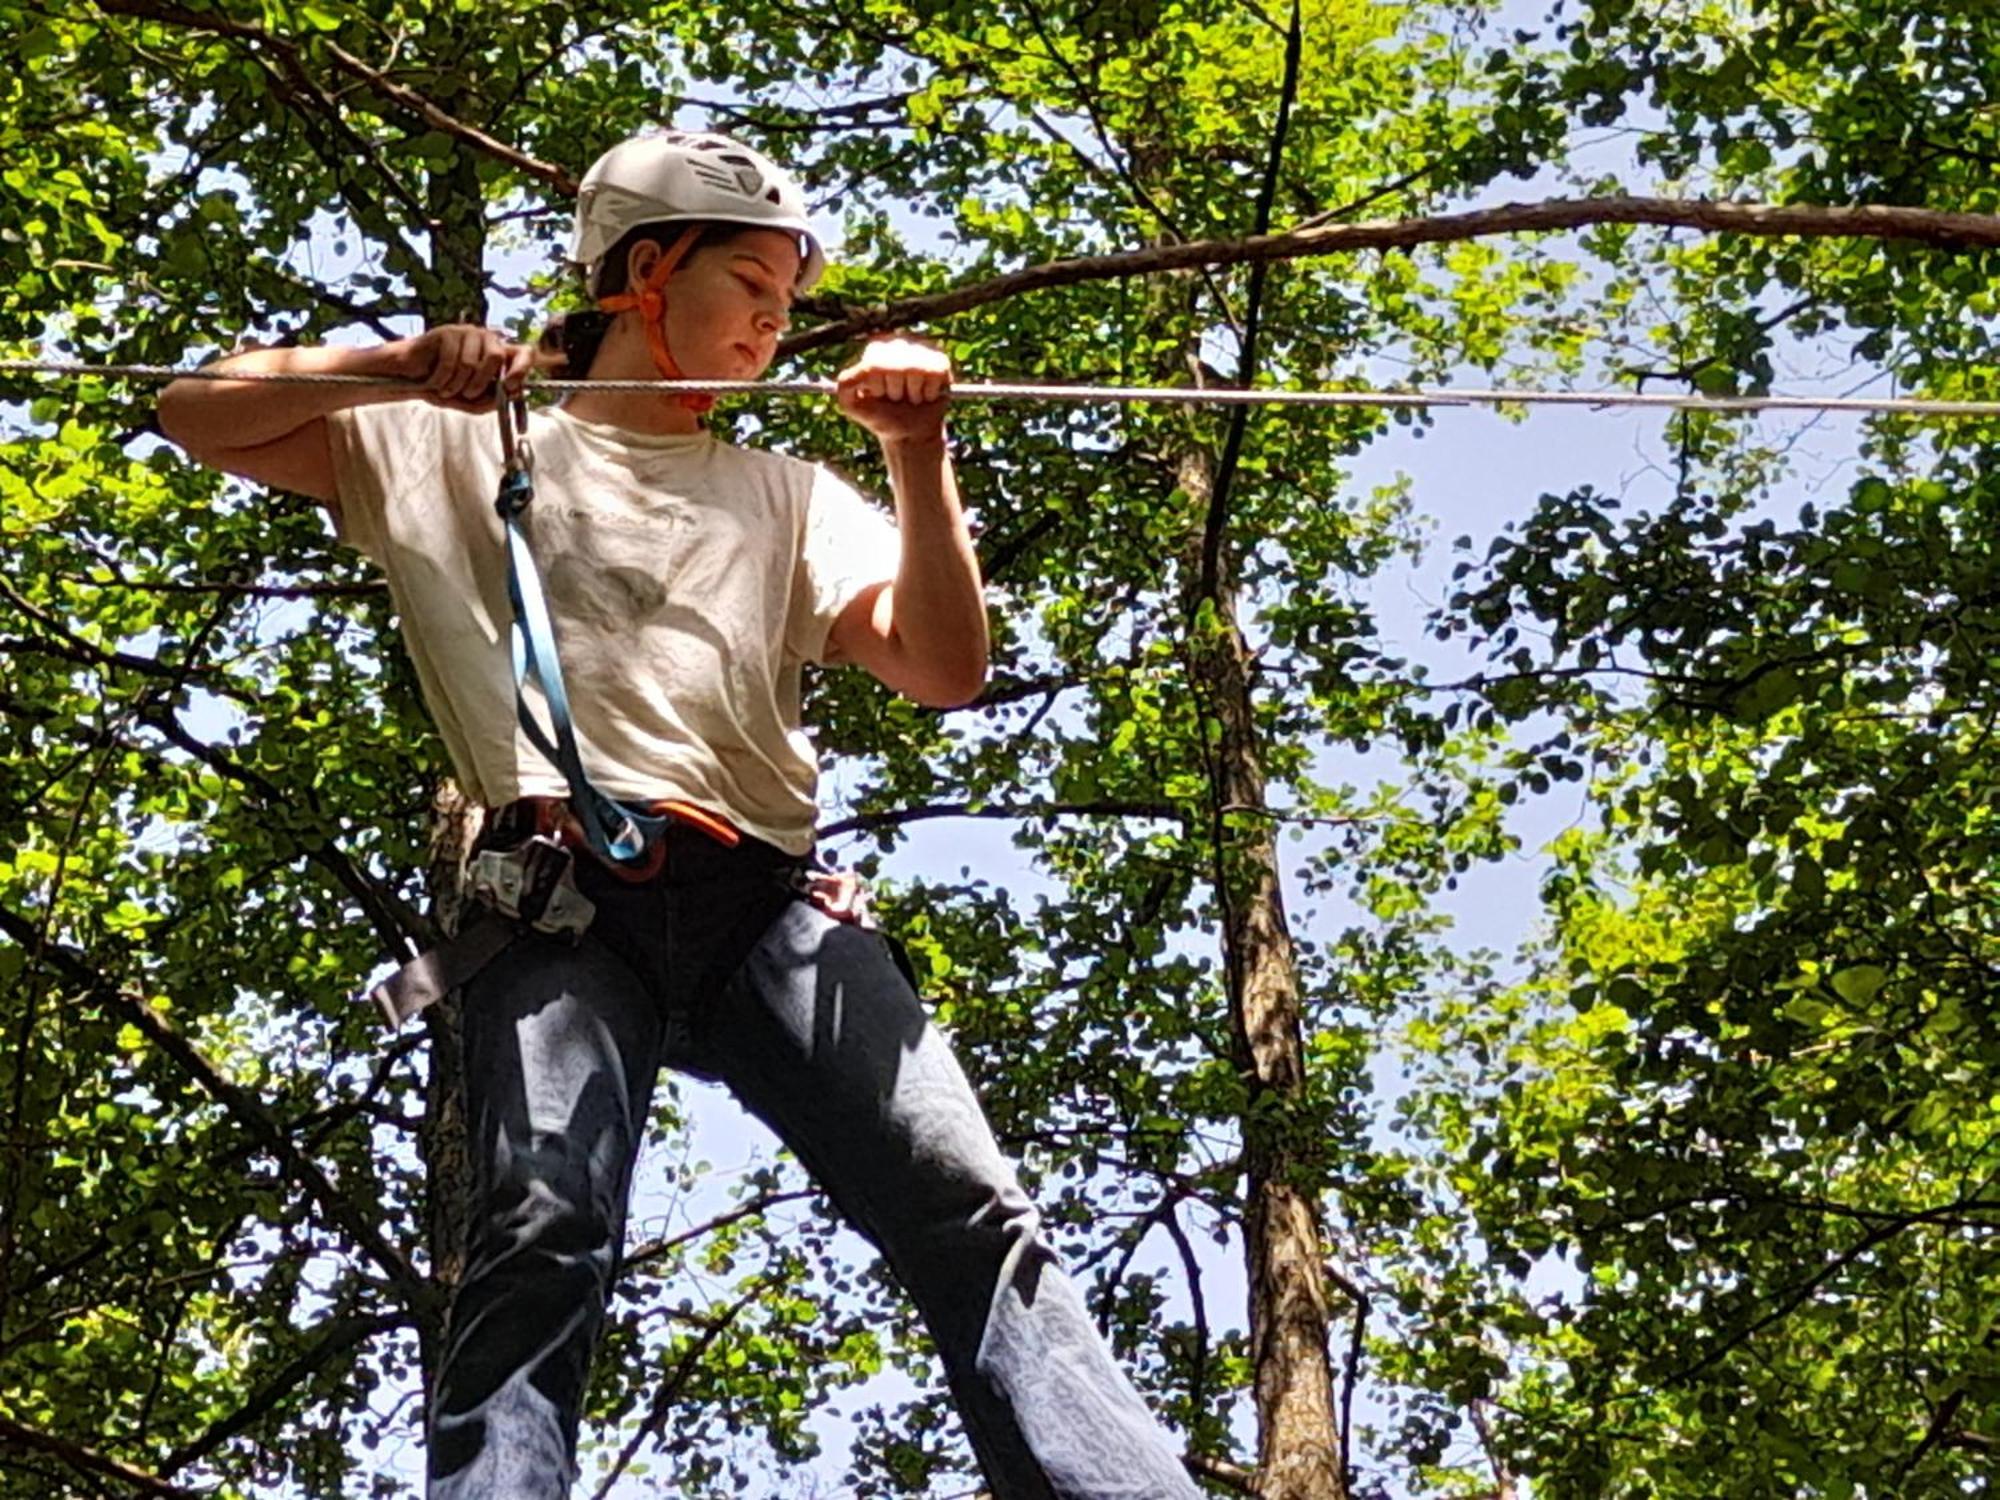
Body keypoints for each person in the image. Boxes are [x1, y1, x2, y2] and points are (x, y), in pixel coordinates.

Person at [157, 131, 1203, 1499]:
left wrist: (917, 451)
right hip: (556, 900)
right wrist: (401, 364)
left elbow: (943, 668)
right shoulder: (450, 449)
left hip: (769, 905)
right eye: (752, 283)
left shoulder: (787, 494)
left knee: (971, 1214)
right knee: (542, 1230)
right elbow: (194, 412)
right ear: (647, 271)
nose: (777, 321)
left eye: (789, 299)